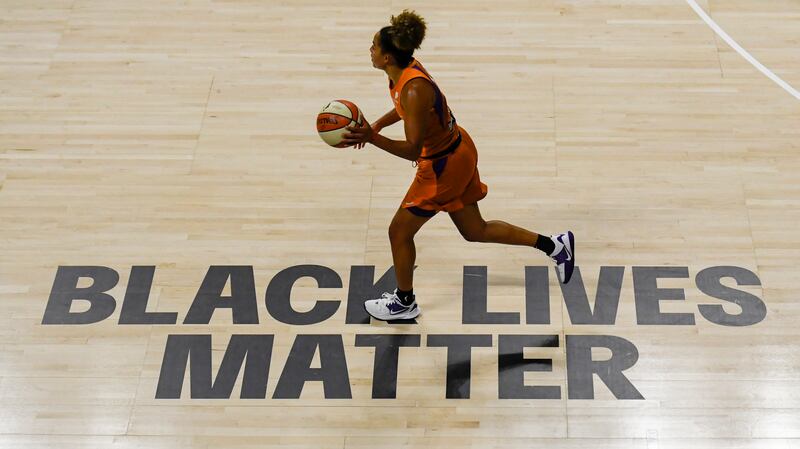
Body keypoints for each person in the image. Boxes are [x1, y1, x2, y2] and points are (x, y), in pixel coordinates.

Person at [342, 10, 574, 321]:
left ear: (386, 57)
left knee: (398, 232)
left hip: (442, 169)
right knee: (475, 230)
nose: (369, 49)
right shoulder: (405, 73)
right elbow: (406, 111)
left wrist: (371, 137)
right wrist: (378, 126)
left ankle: (404, 302)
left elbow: (412, 149)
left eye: (373, 46)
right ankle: (555, 246)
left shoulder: (413, 88)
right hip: (457, 151)